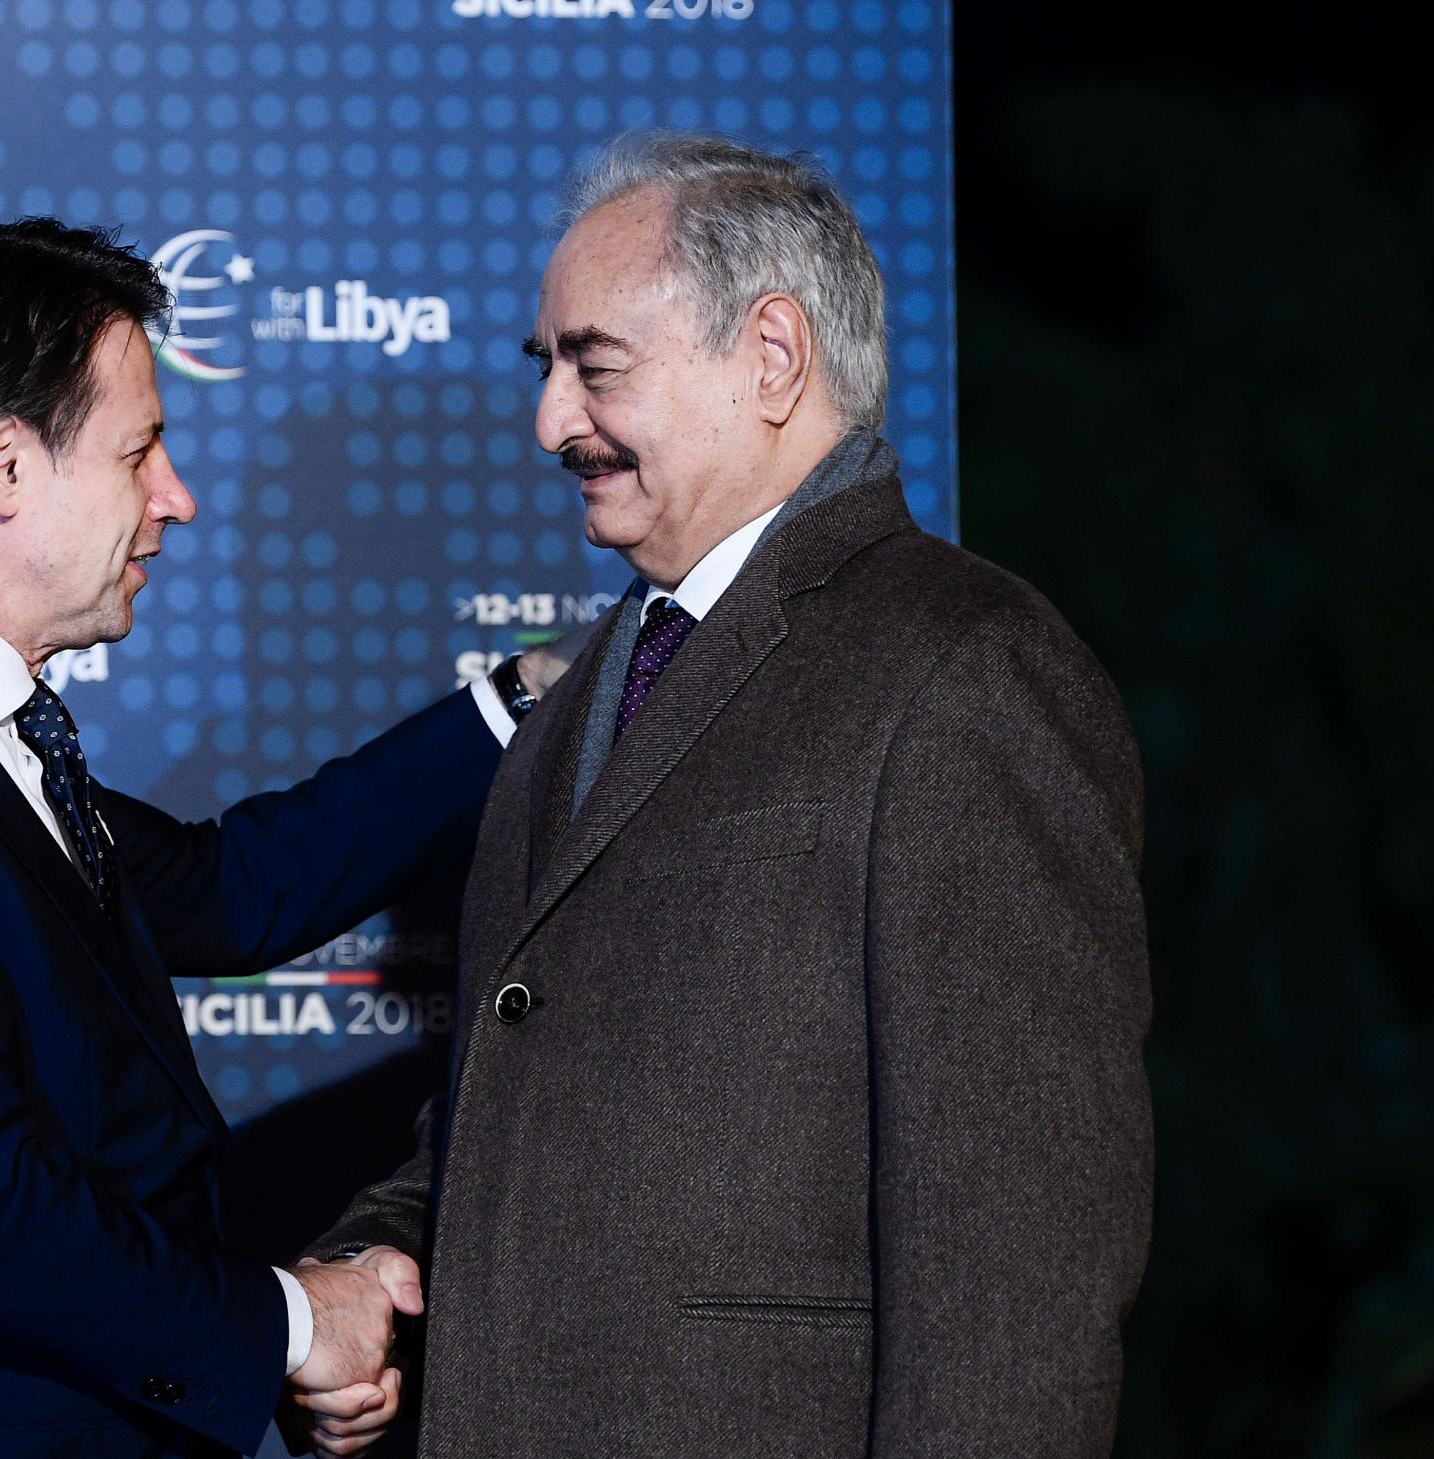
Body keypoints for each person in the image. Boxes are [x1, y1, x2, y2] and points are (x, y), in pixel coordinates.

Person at [0, 218, 580, 1458]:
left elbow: (231, 886)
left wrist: (514, 701)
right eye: (139, 450)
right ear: (0, 469)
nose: (175, 497)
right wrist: (297, 1322)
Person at [303, 134, 1153, 1457]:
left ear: (770, 354)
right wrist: (381, 1258)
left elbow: (1013, 1268)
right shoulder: (589, 687)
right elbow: (536, 1095)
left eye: (597, 363)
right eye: (549, 368)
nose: (551, 422)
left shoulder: (963, 664)